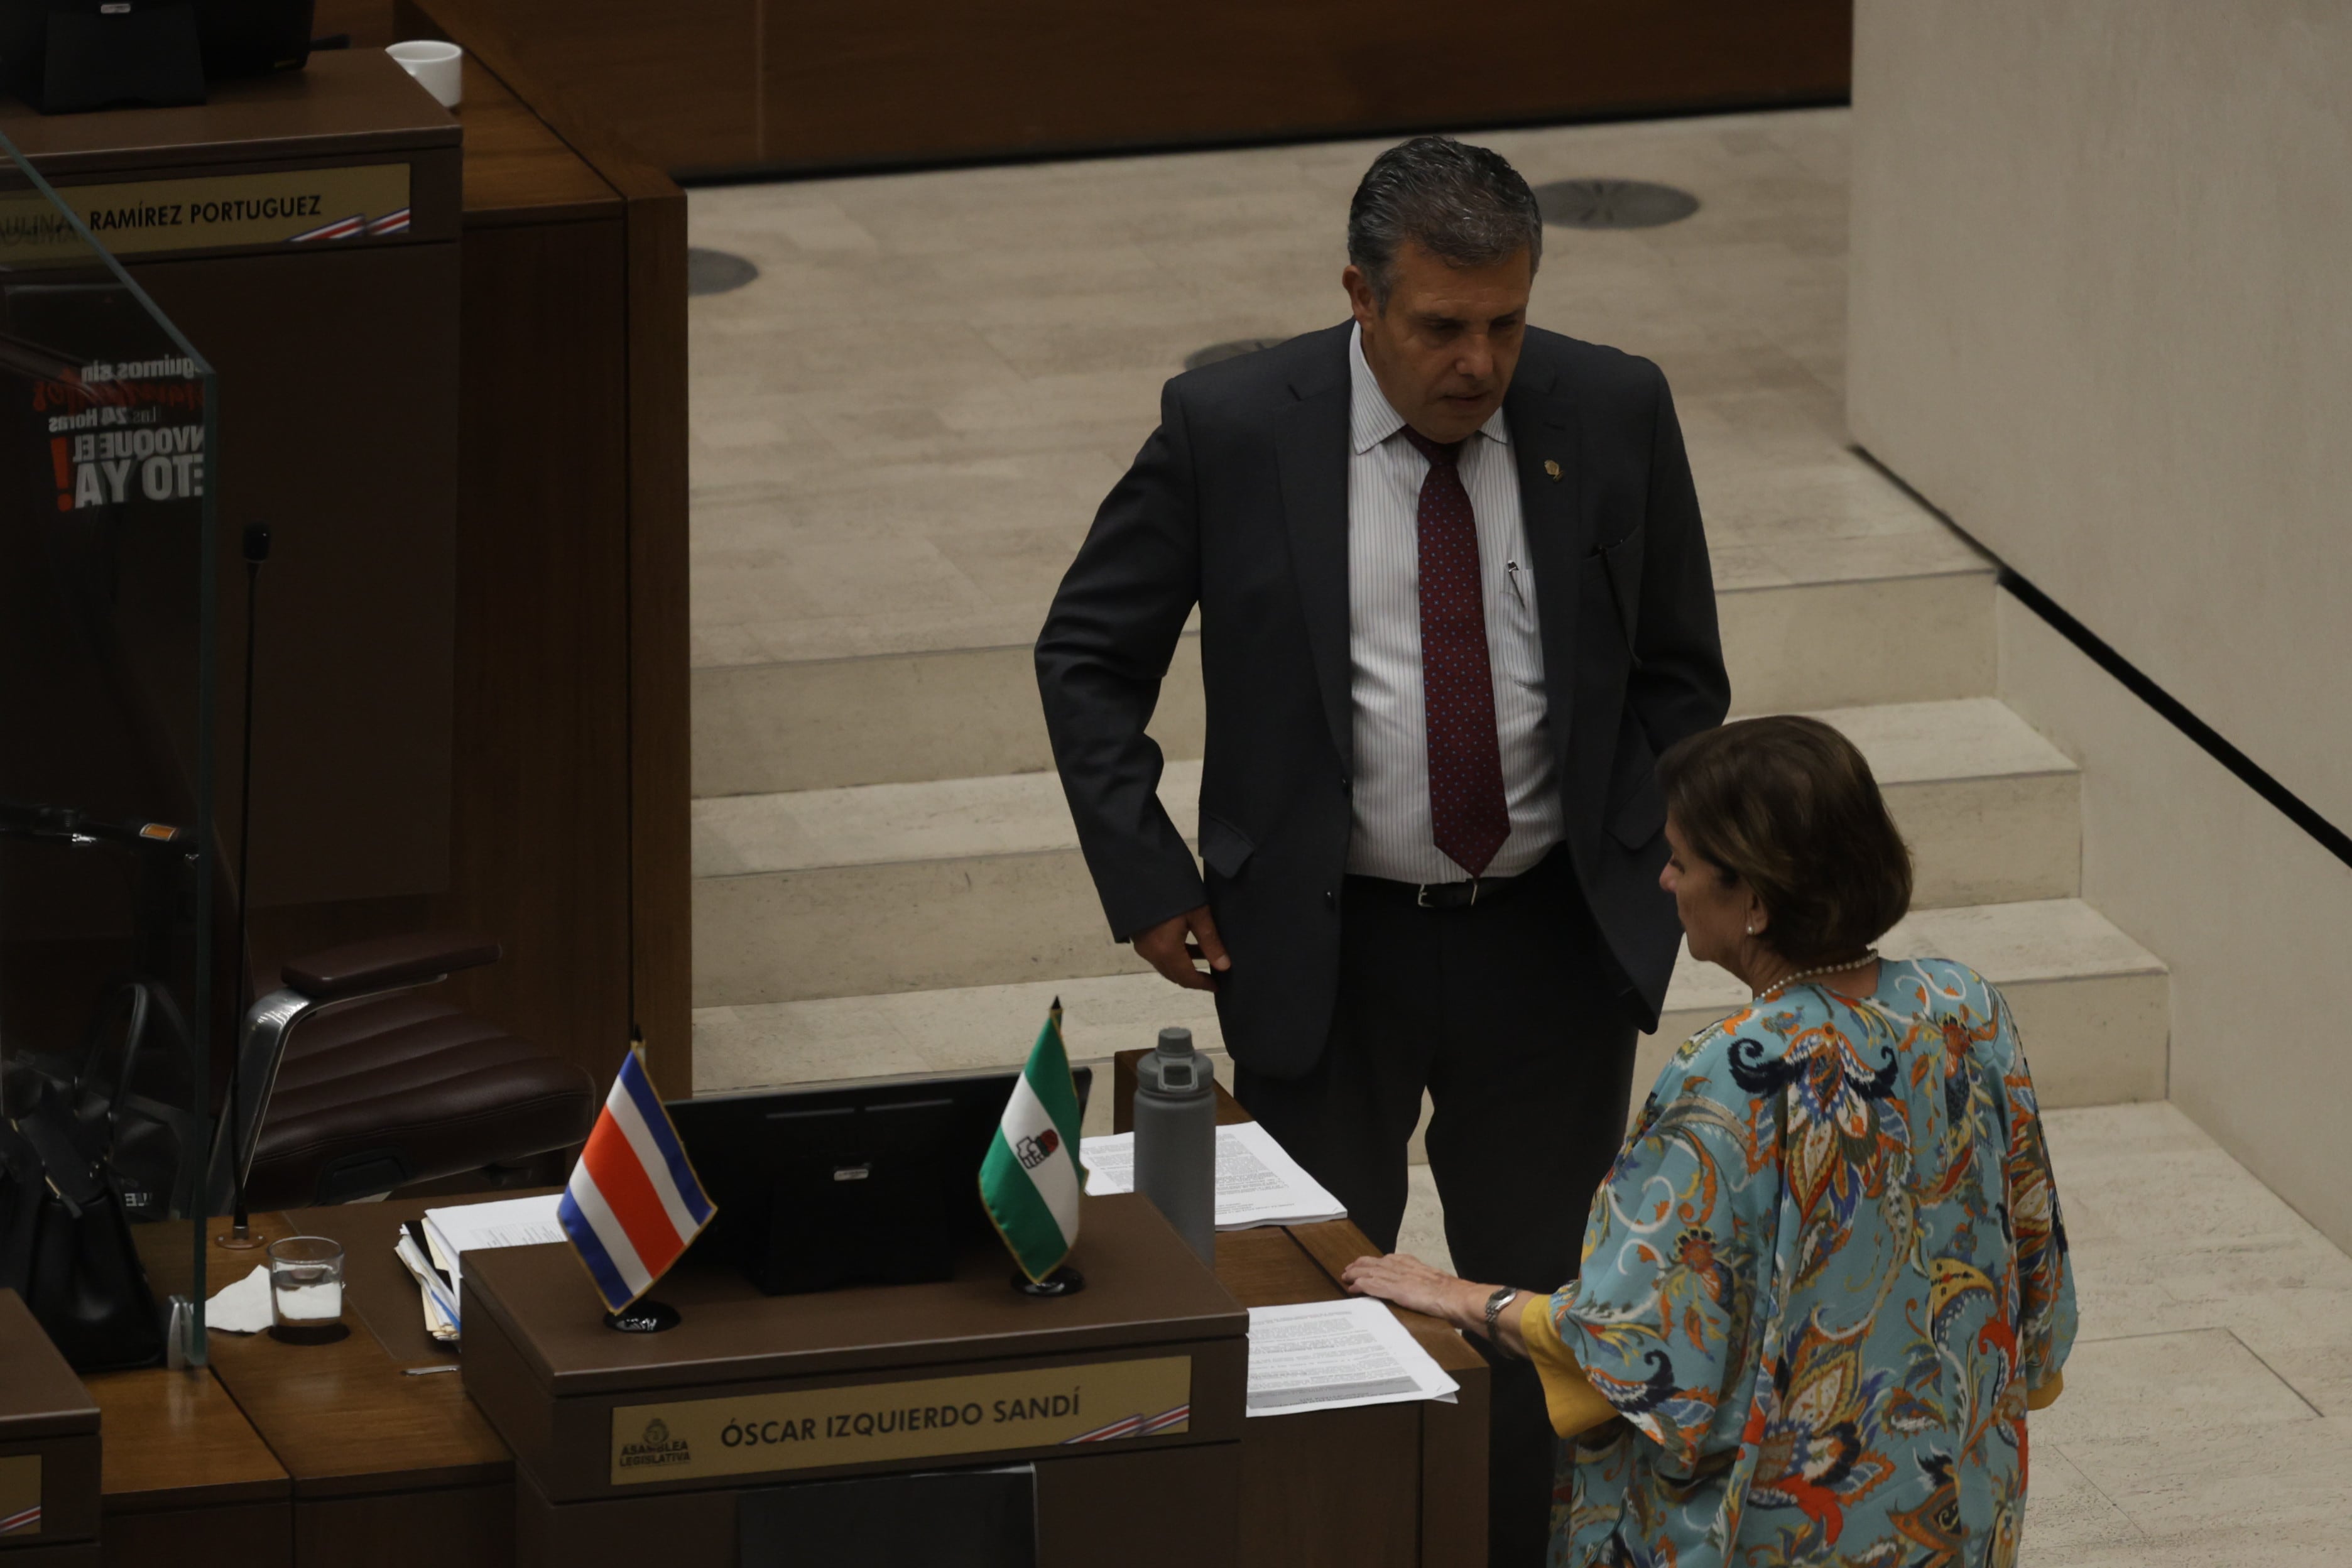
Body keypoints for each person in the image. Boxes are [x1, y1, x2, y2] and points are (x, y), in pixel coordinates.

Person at [1035, 134, 1728, 1562]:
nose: (1479, 362)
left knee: (1537, 1313)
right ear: (1360, 294)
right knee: (1314, 1304)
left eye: (1506, 324)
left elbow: (1680, 674)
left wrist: (1633, 854)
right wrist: (1151, 874)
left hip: (1549, 945)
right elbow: (1088, 654)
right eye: (1442, 327)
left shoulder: (1610, 408)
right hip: (1318, 945)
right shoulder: (1231, 425)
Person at [1343, 715, 2077, 1567]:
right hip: (1952, 1500)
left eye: (1683, 862)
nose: (1663, 880)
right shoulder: (1966, 1008)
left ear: (1757, 899)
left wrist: (1463, 1295)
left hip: (1792, 1529)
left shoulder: (1734, 1071)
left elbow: (1635, 1347)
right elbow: (2034, 1259)